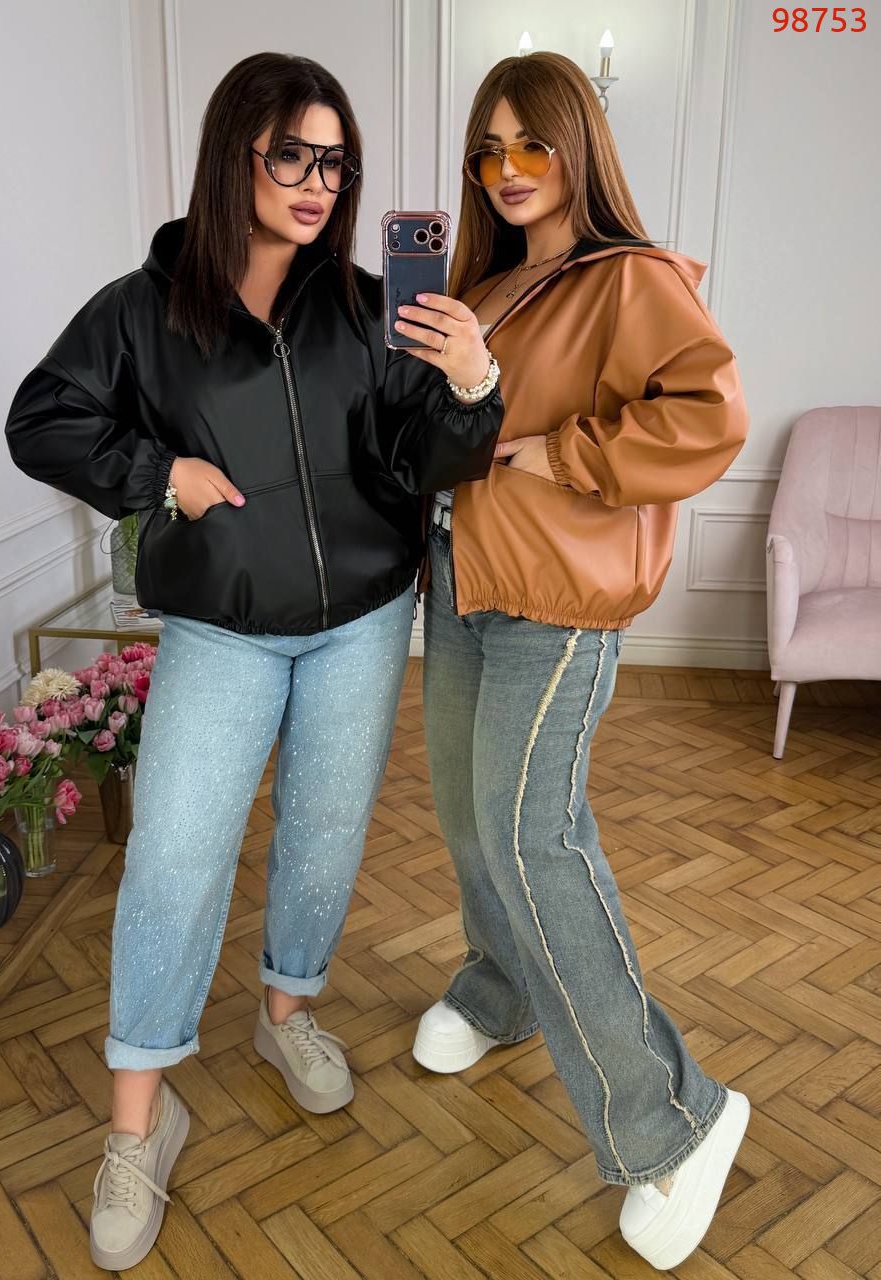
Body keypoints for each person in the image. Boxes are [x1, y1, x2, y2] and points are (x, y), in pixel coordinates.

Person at [5, 51, 501, 1273]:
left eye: (336, 161)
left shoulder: (372, 306)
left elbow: (427, 458)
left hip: (364, 618)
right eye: (293, 155)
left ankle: (288, 1010)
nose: (319, 182)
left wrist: (470, 385)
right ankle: (139, 1120)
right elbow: (42, 418)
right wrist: (157, 472)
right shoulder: (145, 307)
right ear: (238, 155)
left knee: (323, 835)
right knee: (174, 853)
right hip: (224, 625)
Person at [404, 51, 749, 1272]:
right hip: (461, 580)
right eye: (487, 150)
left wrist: (566, 453)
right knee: (468, 814)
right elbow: (457, 431)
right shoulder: (489, 284)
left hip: (559, 600)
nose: (506, 169)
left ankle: (675, 1116)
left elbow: (709, 415)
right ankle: (499, 984)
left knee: (531, 833)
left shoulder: (629, 278)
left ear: (578, 146)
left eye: (530, 144)